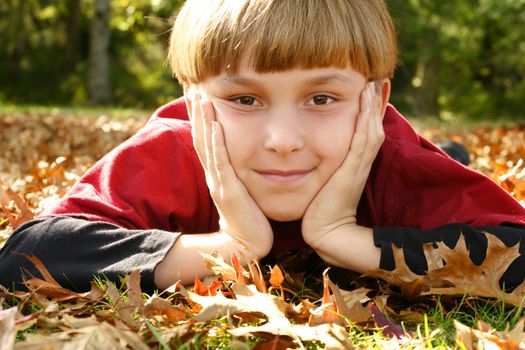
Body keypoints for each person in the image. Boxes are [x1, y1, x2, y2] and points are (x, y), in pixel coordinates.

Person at [1, 0, 525, 293]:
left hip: (397, 163)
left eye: (321, 97)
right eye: (245, 99)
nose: (282, 142)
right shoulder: (176, 148)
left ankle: (453, 151)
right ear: (193, 101)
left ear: (375, 101)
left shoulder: (392, 157)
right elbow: (25, 256)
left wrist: (344, 237)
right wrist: (228, 247)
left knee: (447, 160)